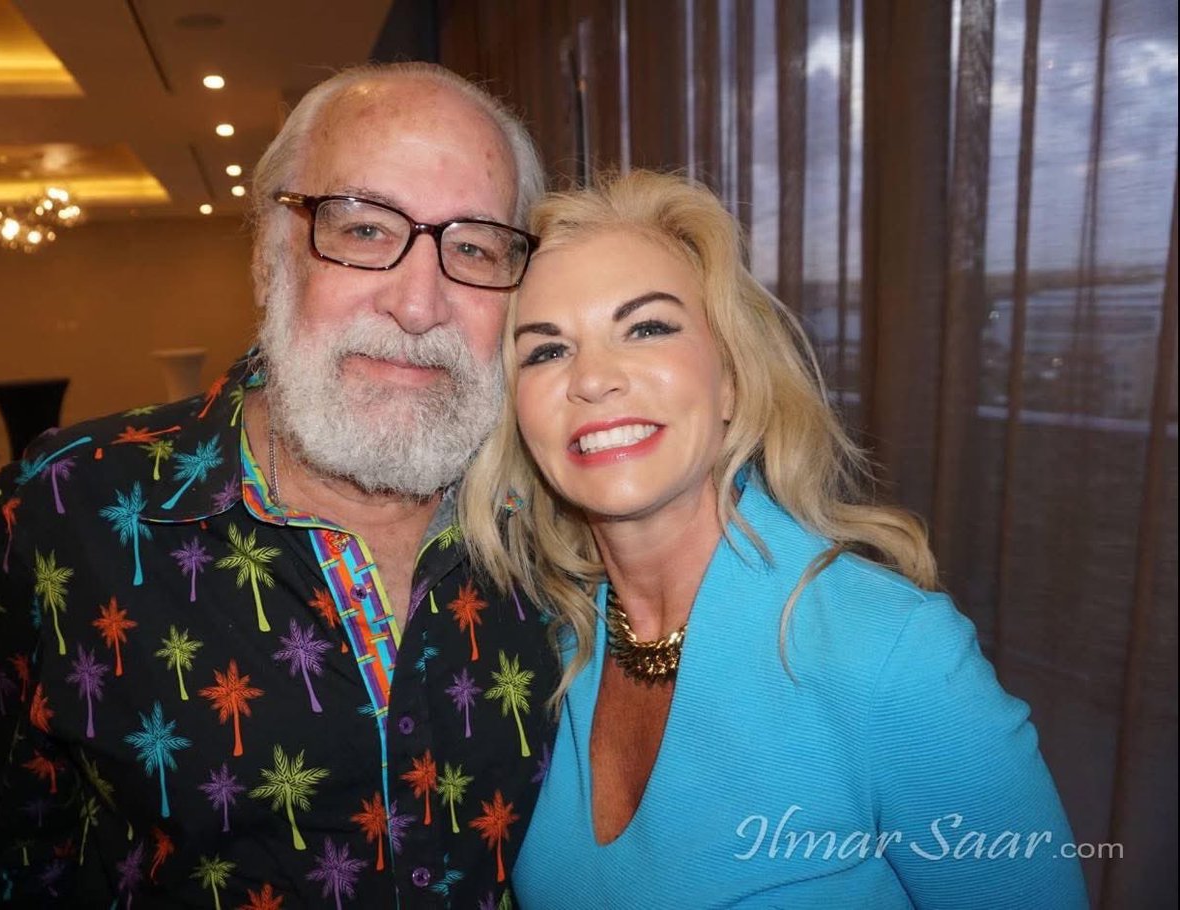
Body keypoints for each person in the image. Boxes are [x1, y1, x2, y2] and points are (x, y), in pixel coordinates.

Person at [0, 62, 558, 908]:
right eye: (363, 230)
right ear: (268, 255)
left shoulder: (564, 518)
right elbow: (18, 853)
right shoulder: (70, 506)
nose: (418, 302)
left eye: (473, 246)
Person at [459, 171, 1089, 908]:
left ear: (730, 380)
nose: (593, 379)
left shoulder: (889, 656)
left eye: (647, 327)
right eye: (546, 351)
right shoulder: (547, 648)